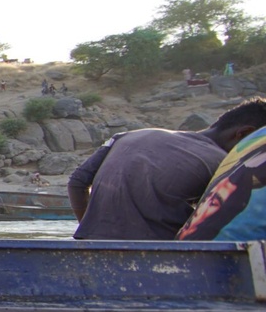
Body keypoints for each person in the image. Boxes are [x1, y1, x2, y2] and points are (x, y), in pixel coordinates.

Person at [68, 100, 266, 240]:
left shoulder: (126, 135)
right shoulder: (224, 163)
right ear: (245, 134)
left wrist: (90, 229)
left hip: (90, 240)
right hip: (160, 252)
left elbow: (77, 182)